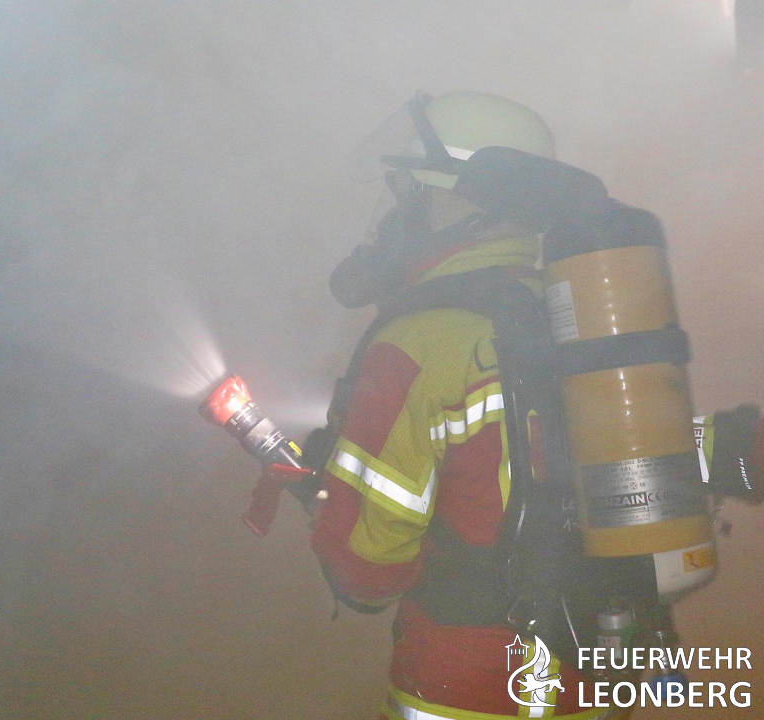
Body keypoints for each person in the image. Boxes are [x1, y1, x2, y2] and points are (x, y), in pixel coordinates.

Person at [254, 91, 763, 720]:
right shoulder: (576, 319)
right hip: (590, 689)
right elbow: (615, 447)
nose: (392, 218)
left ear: (457, 201)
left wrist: (333, 495)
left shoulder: (419, 341)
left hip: (467, 690)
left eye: (408, 193)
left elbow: (366, 572)